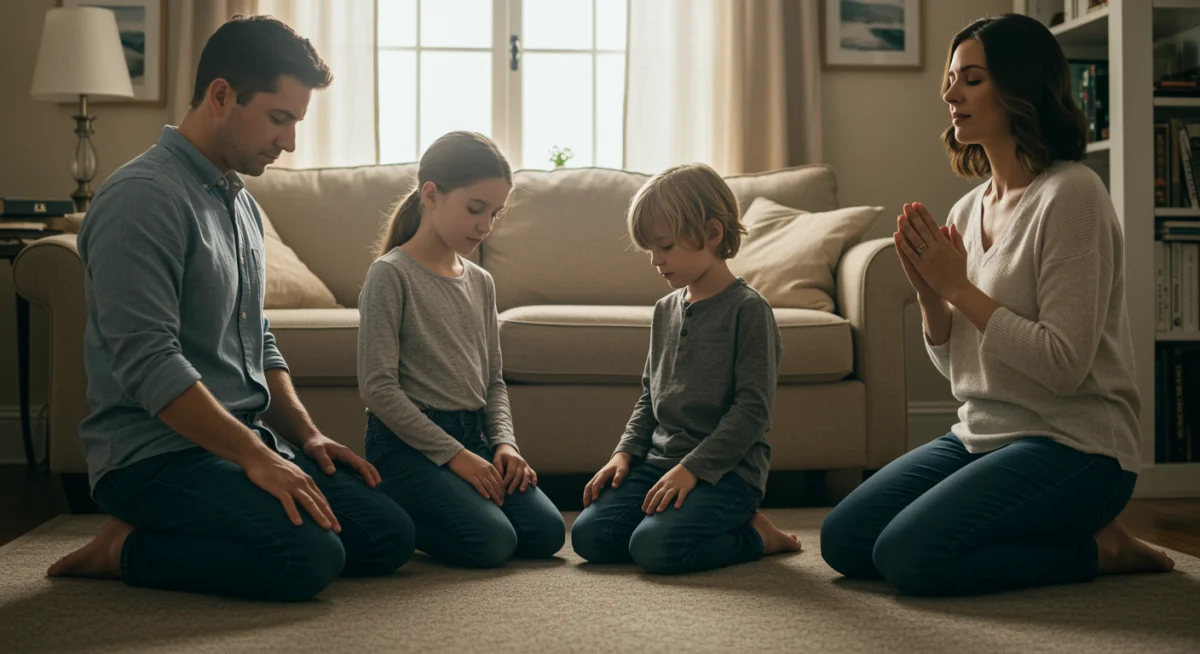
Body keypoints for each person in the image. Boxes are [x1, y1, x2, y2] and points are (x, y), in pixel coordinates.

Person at [47, 16, 415, 602]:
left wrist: (307, 438)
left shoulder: (238, 200)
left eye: (296, 121)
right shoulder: (141, 199)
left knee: (386, 535)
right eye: (279, 118)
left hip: (243, 440)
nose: (290, 141)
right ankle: (124, 549)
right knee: (307, 557)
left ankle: (202, 516)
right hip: (153, 456)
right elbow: (149, 363)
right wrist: (256, 459)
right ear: (222, 95)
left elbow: (257, 337)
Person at [819, 14, 1176, 597]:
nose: (950, 93)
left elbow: (1063, 366)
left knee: (909, 556)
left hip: (1076, 448)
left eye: (972, 79)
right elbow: (968, 370)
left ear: (1020, 87)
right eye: (951, 79)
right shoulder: (966, 210)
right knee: (846, 541)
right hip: (981, 435)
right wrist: (932, 300)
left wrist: (960, 289)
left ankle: (1099, 548)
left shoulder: (1072, 196)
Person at [570, 163, 801, 574]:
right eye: (650, 251)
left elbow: (753, 412)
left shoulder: (749, 311)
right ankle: (690, 519)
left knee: (655, 548)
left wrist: (691, 470)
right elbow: (650, 396)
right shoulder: (665, 310)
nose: (656, 261)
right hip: (659, 465)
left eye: (666, 246)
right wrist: (624, 454)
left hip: (727, 475)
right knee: (590, 537)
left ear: (712, 234)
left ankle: (756, 536)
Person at [358, 131, 566, 568]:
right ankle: (398, 497)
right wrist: (454, 457)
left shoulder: (480, 281)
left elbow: (492, 380)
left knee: (545, 532)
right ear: (431, 194)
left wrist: (504, 445)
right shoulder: (390, 275)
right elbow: (378, 389)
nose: (485, 226)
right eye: (476, 209)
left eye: (495, 214)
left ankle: (451, 499)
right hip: (407, 447)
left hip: (476, 438)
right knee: (491, 542)